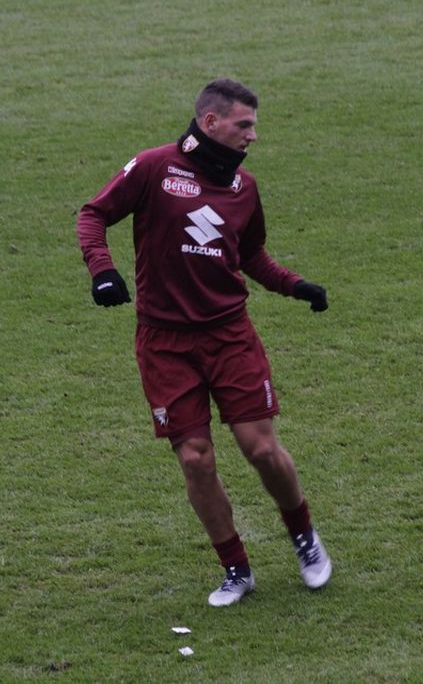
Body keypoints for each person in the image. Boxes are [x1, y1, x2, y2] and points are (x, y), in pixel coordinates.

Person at [77, 78, 332, 607]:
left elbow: (251, 255)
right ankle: (236, 568)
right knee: (195, 458)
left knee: (260, 447)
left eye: (254, 126)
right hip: (164, 342)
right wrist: (102, 271)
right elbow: (93, 214)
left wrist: (294, 285)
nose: (253, 136)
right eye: (245, 125)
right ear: (211, 122)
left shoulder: (244, 188)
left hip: (228, 334)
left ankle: (304, 535)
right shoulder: (154, 167)